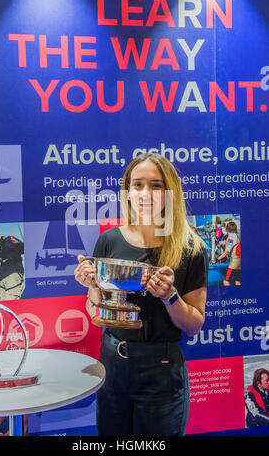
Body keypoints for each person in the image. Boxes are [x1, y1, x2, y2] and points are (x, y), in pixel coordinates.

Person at [74, 153, 208, 436]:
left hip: (160, 371)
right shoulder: (109, 240)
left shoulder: (190, 247)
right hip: (111, 365)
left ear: (170, 191)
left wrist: (170, 296)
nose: (145, 193)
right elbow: (95, 305)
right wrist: (92, 285)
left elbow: (194, 326)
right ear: (128, 191)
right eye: (137, 185)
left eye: (156, 185)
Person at [217, 221, 241, 286]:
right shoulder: (237, 236)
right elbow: (232, 243)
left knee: (226, 281)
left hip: (233, 264)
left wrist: (218, 258)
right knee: (238, 281)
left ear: (227, 229)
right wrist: (221, 242)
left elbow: (227, 252)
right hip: (240, 263)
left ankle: (228, 295)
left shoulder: (231, 236)